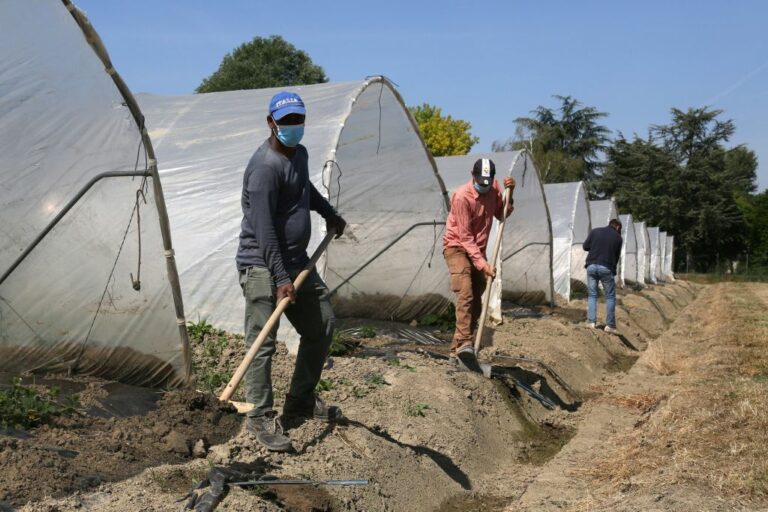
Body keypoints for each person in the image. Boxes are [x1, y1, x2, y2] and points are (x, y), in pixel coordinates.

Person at [236, 91, 347, 452]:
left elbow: (304, 189)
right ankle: (259, 414)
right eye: (286, 121)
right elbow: (264, 229)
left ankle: (300, 399)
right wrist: (281, 278)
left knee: (321, 325)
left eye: (298, 119)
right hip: (262, 265)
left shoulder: (299, 154)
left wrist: (328, 213)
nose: (293, 126)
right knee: (262, 342)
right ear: (271, 123)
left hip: (297, 261)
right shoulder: (264, 168)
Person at [443, 158, 514, 366]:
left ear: (492, 179)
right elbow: (465, 237)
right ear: (473, 176)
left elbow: (502, 214)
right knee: (465, 292)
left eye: (487, 182)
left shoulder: (494, 189)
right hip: (457, 247)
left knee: (476, 298)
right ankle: (465, 342)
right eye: (480, 182)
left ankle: (457, 351)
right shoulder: (461, 196)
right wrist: (483, 265)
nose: (484, 186)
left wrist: (511, 193)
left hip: (477, 251)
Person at [582, 218, 623, 334]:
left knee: (592, 294)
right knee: (610, 297)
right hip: (606, 267)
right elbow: (616, 256)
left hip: (591, 266)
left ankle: (591, 322)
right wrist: (613, 271)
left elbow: (585, 247)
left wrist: (595, 247)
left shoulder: (595, 231)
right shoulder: (618, 238)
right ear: (617, 227)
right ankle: (610, 325)